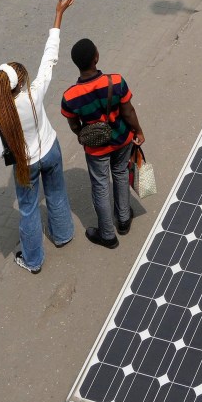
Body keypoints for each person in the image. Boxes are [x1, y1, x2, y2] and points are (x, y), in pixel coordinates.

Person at [0, 0, 80, 274]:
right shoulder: (33, 95)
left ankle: (33, 260)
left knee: (28, 210)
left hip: (25, 165)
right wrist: (58, 15)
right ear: (21, 83)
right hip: (51, 151)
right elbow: (49, 59)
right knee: (56, 193)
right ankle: (63, 235)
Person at [60, 31, 146, 249]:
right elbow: (128, 111)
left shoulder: (70, 96)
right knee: (120, 173)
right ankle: (124, 220)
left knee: (100, 186)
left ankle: (107, 235)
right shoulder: (116, 81)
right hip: (121, 140)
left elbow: (73, 125)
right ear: (96, 57)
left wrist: (85, 135)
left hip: (96, 149)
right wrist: (138, 131)